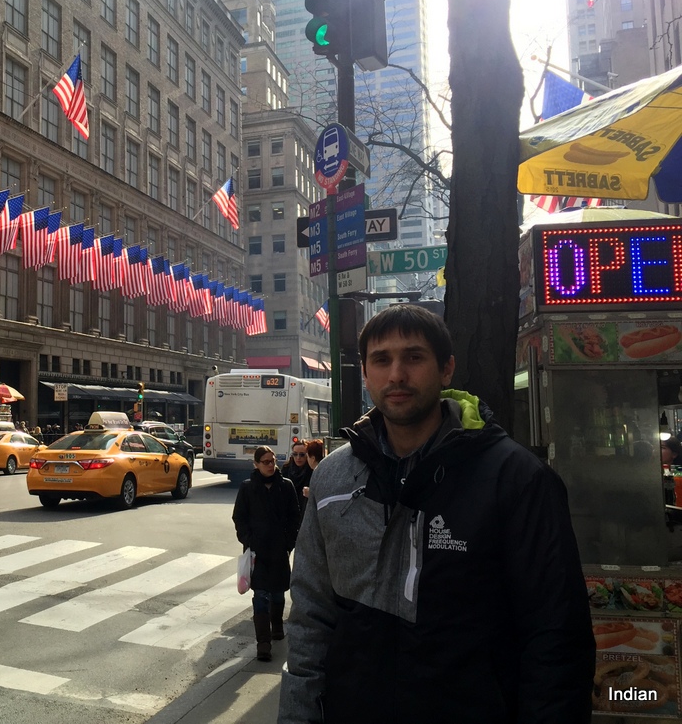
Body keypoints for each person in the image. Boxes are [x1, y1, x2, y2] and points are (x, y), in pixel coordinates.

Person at [279, 304, 594, 723]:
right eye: (381, 360)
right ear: (366, 374)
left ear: (446, 369)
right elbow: (310, 617)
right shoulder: (332, 478)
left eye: (413, 357)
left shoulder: (517, 479)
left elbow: (556, 635)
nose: (396, 375)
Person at [232, 445, 301, 662]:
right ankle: (263, 642)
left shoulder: (286, 486)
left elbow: (295, 516)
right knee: (260, 595)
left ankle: (277, 625)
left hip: (279, 550)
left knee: (278, 593)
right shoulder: (248, 488)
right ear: (256, 464)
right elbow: (239, 517)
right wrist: (248, 539)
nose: (271, 465)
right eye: (266, 462)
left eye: (273, 461)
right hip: (257, 551)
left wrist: (288, 543)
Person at [280, 440, 312, 520]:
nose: (298, 458)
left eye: (302, 455)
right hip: (288, 510)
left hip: (305, 511)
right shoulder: (286, 468)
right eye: (295, 454)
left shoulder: (311, 470)